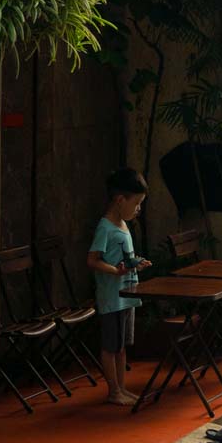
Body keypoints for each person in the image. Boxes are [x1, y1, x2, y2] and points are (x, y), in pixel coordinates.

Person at [87, 168, 152, 407]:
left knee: (121, 346)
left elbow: (124, 257)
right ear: (119, 199)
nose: (138, 209)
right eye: (136, 203)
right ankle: (113, 390)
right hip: (111, 296)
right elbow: (92, 260)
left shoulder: (123, 226)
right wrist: (116, 271)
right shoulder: (105, 227)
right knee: (110, 346)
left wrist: (136, 263)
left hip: (126, 294)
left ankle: (122, 388)